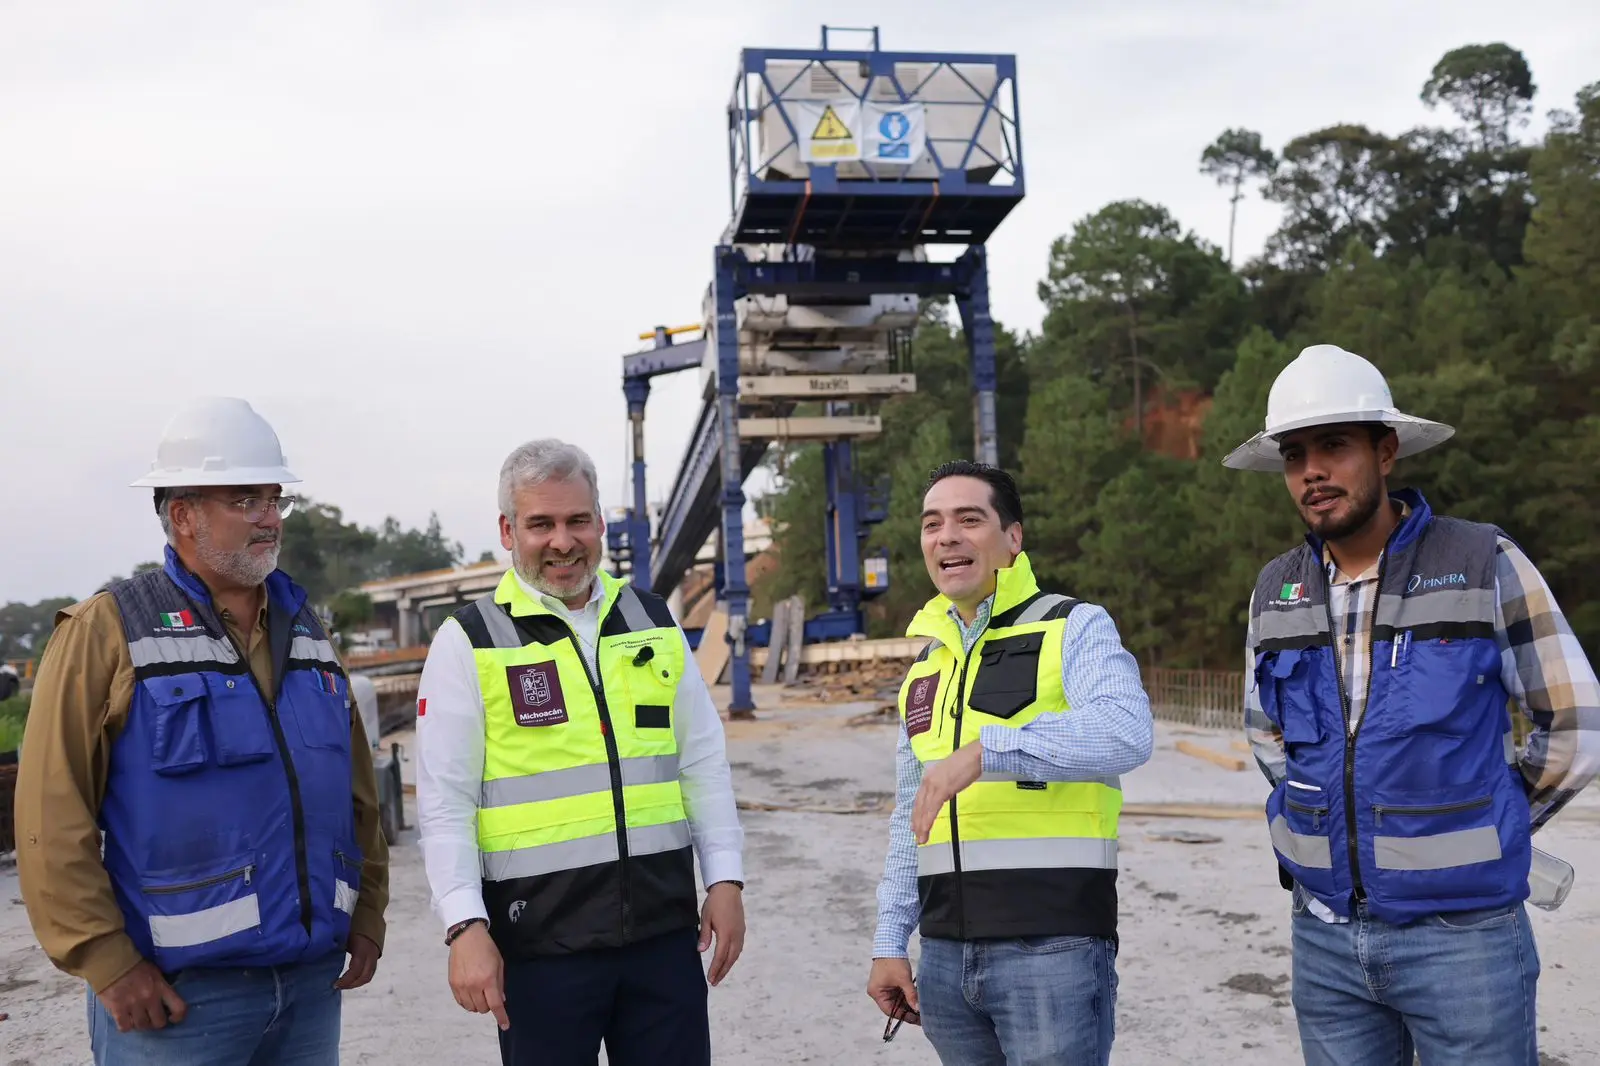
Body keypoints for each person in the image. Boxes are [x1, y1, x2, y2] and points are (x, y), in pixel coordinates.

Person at [1228, 344, 1600, 1065]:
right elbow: (1266, 733)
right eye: (1295, 453)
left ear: (1387, 450)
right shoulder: (1277, 590)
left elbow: (1577, 723)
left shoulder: (1482, 561)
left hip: (1463, 942)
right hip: (1325, 940)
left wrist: (1487, 819)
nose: (1312, 470)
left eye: (1334, 445)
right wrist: (1341, 819)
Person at [14, 395, 390, 1065]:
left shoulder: (308, 630)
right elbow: (51, 811)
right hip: (178, 1004)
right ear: (182, 513)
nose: (270, 519)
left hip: (309, 989)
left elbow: (356, 791)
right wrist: (106, 960)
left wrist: (368, 914)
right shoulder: (107, 632)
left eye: (275, 500)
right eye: (246, 500)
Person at [414, 438, 746, 1066]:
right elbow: (445, 802)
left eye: (577, 521)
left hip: (662, 940)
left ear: (599, 521)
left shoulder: (652, 620)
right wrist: (464, 925)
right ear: (509, 530)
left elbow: (701, 761)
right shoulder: (470, 642)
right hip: (539, 952)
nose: (562, 542)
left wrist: (725, 878)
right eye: (541, 524)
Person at [865, 460, 1154, 1066]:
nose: (947, 536)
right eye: (932, 524)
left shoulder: (1071, 626)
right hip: (945, 958)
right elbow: (908, 816)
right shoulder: (926, 667)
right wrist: (891, 939)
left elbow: (1126, 732)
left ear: (1013, 538)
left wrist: (989, 749)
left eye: (970, 520)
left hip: (1052, 950)